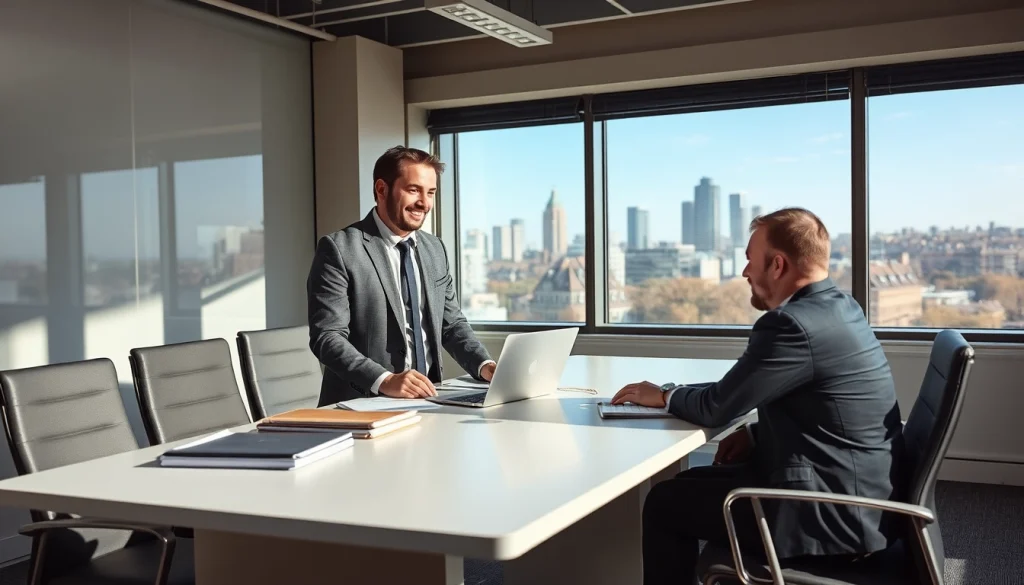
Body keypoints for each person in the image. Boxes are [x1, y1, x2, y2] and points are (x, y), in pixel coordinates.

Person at [611, 207, 904, 585]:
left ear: (777, 265)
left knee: (664, 504)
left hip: (830, 516)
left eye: (751, 259)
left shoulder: (791, 325)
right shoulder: (841, 308)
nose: (745, 272)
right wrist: (754, 434)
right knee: (685, 485)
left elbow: (716, 407)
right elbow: (822, 407)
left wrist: (665, 395)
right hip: (859, 499)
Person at [307, 146, 495, 406]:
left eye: (431, 192)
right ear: (382, 189)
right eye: (414, 190)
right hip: (363, 405)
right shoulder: (339, 249)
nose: (425, 203)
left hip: (430, 400)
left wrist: (485, 365)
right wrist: (385, 380)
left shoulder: (434, 249)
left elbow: (451, 325)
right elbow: (328, 337)